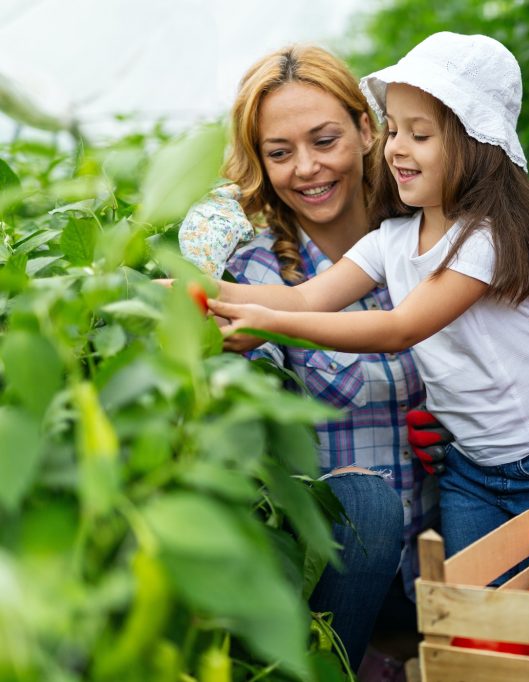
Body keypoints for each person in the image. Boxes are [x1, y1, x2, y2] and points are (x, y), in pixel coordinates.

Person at [205, 32, 529, 565]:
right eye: (394, 130)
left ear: (474, 143)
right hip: (471, 467)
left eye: (420, 134)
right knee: (467, 602)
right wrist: (194, 290)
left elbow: (399, 329)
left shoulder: (484, 239)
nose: (398, 148)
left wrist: (270, 325)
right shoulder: (393, 239)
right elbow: (308, 297)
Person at [176, 45, 439, 676]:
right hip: (338, 580)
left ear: (367, 129)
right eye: (280, 152)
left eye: (325, 140)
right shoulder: (254, 269)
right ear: (260, 162)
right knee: (366, 505)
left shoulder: (422, 239)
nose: (307, 169)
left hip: (434, 555)